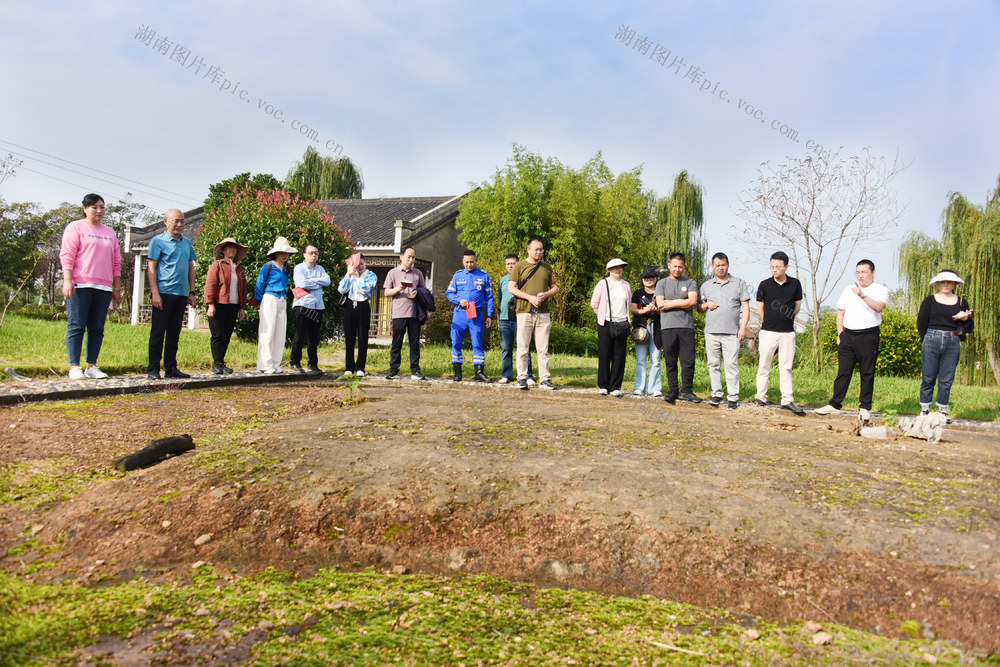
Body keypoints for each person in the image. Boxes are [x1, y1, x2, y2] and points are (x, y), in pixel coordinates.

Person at [814, 260, 890, 421]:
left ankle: (864, 407)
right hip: (848, 335)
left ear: (873, 273)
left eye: (864, 272)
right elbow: (840, 312)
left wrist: (862, 294)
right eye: (858, 272)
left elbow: (878, 307)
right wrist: (840, 334)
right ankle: (835, 404)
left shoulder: (880, 290)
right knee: (843, 371)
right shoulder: (848, 289)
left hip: (868, 335)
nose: (860, 275)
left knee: (867, 372)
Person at [59, 193, 122, 380]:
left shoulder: (110, 233)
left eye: (102, 207)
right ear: (85, 209)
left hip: (103, 287)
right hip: (80, 284)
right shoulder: (76, 227)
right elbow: (67, 255)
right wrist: (67, 280)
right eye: (95, 207)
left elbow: (116, 262)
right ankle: (74, 366)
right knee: (77, 325)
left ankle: (92, 366)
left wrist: (116, 289)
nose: (99, 211)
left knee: (97, 327)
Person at [916, 270, 973, 423]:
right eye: (943, 282)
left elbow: (969, 328)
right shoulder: (929, 300)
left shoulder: (961, 302)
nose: (946, 284)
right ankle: (925, 408)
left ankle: (942, 409)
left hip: (952, 340)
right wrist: (926, 339)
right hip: (931, 338)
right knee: (928, 376)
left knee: (946, 378)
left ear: (954, 284)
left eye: (949, 282)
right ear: (938, 283)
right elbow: (921, 322)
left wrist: (965, 318)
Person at [147, 208, 197, 380]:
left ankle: (171, 368)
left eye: (182, 221)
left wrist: (192, 291)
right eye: (175, 220)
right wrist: (155, 292)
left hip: (181, 294)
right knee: (158, 332)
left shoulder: (187, 243)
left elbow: (191, 267)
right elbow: (151, 268)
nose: (179, 224)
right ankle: (153, 369)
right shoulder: (157, 241)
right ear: (165, 221)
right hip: (164, 292)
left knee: (174, 334)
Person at [698, 252, 751, 410]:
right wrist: (707, 305)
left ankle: (733, 397)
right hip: (712, 331)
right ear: (712, 266)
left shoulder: (739, 283)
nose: (721, 268)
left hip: (732, 332)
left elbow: (746, 307)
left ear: (728, 265)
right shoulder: (706, 286)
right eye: (717, 265)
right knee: (713, 364)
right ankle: (717, 394)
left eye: (723, 265)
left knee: (731, 365)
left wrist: (743, 328)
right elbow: (699, 308)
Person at [754, 251, 805, 414]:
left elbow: (797, 306)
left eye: (778, 267)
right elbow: (759, 307)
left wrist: (787, 318)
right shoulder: (764, 284)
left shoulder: (795, 284)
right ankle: (761, 397)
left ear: (786, 267)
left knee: (786, 366)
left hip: (788, 333)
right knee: (764, 365)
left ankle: (787, 400)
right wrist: (766, 321)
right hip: (768, 331)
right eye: (772, 267)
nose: (774, 270)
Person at [509, 238, 560, 390]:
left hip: (543, 312)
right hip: (524, 311)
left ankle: (545, 379)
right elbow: (512, 288)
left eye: (541, 249)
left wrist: (546, 294)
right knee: (523, 347)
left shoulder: (546, 267)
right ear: (528, 250)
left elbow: (555, 288)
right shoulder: (519, 266)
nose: (539, 252)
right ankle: (522, 378)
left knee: (543, 349)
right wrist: (530, 297)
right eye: (536, 249)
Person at [655, 253, 700, 404]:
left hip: (686, 326)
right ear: (669, 266)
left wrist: (671, 303)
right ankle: (673, 390)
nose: (677, 269)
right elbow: (660, 304)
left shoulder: (690, 282)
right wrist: (682, 302)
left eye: (680, 267)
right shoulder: (662, 283)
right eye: (674, 266)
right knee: (670, 360)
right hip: (667, 327)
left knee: (688, 361)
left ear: (684, 267)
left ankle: (686, 391)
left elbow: (692, 301)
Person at [446, 250, 495, 382]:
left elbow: (489, 297)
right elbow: (449, 293)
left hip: (476, 314)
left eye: (471, 262)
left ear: (476, 261)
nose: (469, 264)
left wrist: (490, 315)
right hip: (460, 314)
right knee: (456, 342)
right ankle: (457, 372)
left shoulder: (484, 275)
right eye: (466, 262)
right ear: (463, 262)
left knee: (478, 343)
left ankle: (479, 373)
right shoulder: (458, 275)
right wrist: (459, 300)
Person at [203, 237, 248, 375]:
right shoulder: (217, 265)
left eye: (234, 248)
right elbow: (210, 285)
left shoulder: (239, 268)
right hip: (219, 304)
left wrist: (242, 308)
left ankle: (221, 362)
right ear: (223, 250)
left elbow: (243, 289)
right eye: (229, 247)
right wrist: (210, 304)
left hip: (233, 306)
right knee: (217, 334)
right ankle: (217, 363)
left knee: (227, 335)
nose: (232, 250)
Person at [383, 246, 428, 380]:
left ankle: (415, 370)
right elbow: (386, 292)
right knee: (397, 342)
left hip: (414, 313)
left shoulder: (417, 273)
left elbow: (424, 291)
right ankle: (393, 370)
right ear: (401, 257)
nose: (411, 260)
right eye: (408, 257)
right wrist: (398, 288)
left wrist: (417, 292)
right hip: (399, 313)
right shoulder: (393, 273)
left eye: (413, 257)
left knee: (414, 343)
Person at [254, 236, 297, 374]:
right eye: (282, 252)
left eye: (287, 252)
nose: (285, 255)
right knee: (267, 331)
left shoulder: (286, 269)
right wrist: (260, 301)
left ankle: (275, 363)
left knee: (280, 332)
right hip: (270, 297)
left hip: (282, 299)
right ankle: (265, 364)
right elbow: (259, 284)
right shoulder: (268, 266)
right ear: (276, 252)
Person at [590, 258, 632, 396]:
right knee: (604, 354)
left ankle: (616, 386)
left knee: (619, 356)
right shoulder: (603, 284)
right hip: (606, 323)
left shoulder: (626, 285)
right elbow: (594, 303)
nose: (618, 270)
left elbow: (628, 304)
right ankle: (603, 385)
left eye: (620, 267)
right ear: (609, 270)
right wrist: (603, 315)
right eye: (615, 268)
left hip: (622, 323)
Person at [290, 245, 331, 374]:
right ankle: (295, 362)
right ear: (304, 254)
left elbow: (328, 281)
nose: (314, 255)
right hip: (303, 305)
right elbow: (302, 284)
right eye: (311, 253)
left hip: (318, 306)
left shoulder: (320, 269)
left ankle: (313, 363)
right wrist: (319, 282)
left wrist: (311, 280)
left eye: (316, 253)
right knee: (299, 335)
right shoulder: (299, 268)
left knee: (313, 337)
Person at [337, 253, 378, 378]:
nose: (359, 266)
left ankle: (360, 367)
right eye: (356, 264)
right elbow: (341, 289)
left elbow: (366, 289)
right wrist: (349, 274)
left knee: (362, 338)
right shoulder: (351, 274)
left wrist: (356, 277)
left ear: (365, 263)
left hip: (363, 306)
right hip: (350, 305)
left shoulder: (371, 275)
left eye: (362, 263)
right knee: (349, 337)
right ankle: (349, 367)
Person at [497, 254, 534, 385]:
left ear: (518, 264)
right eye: (508, 264)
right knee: (506, 349)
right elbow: (500, 298)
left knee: (524, 348)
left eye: (513, 263)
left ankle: (528, 375)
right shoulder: (502, 280)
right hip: (505, 319)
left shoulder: (524, 278)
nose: (511, 266)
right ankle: (506, 375)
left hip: (521, 318)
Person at [630, 267, 661, 397]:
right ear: (642, 280)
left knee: (656, 359)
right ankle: (639, 387)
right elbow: (633, 309)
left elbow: (665, 308)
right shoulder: (637, 293)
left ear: (656, 279)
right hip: (641, 326)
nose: (648, 280)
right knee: (641, 359)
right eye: (646, 278)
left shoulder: (660, 293)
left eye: (651, 278)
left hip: (657, 326)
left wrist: (656, 309)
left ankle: (654, 388)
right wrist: (645, 310)